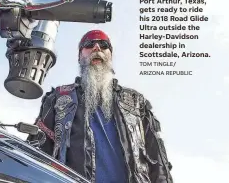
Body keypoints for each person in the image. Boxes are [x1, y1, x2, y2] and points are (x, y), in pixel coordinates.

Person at [27, 30, 173, 183]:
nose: (97, 48)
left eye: (104, 45)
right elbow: (37, 153)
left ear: (111, 55)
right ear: (79, 56)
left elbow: (158, 161)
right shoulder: (58, 98)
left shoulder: (136, 103)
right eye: (89, 44)